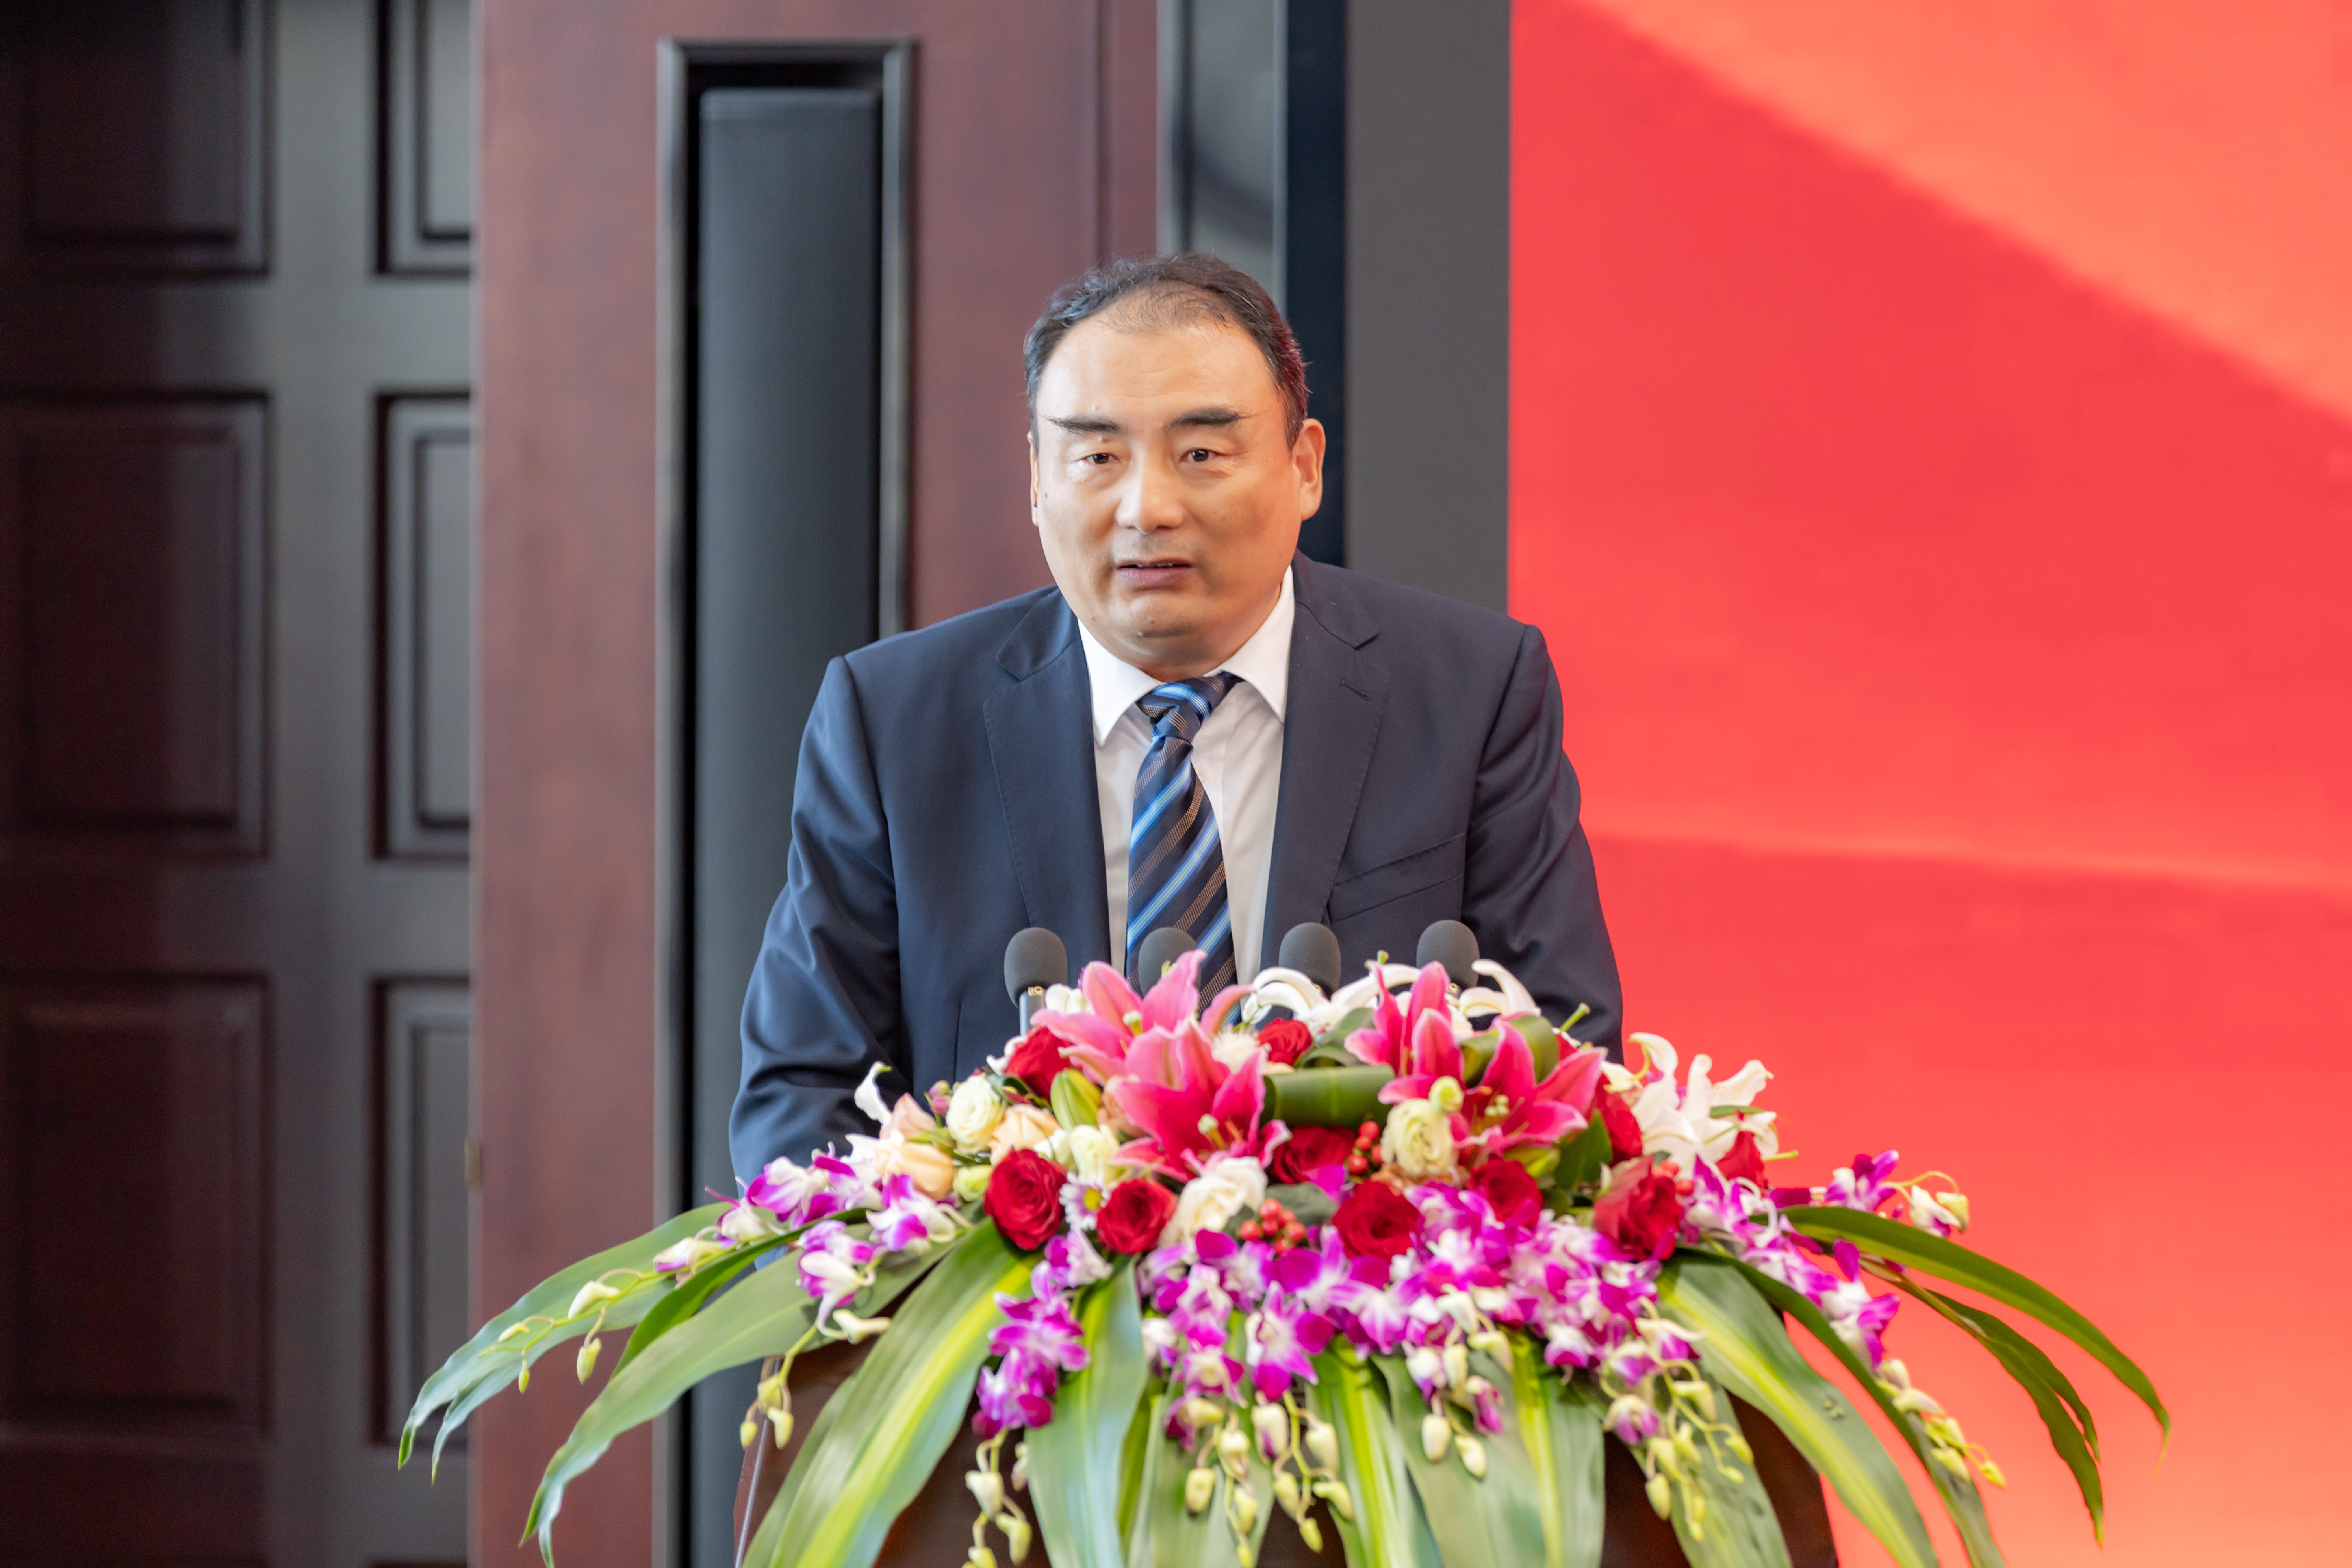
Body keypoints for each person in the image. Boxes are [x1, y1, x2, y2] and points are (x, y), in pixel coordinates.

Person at [731, 254, 1620, 1175]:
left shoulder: (1470, 691)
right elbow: (800, 1098)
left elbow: (1567, 1054)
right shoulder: (893, 721)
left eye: (1200, 454)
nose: (1146, 508)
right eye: (1097, 457)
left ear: (1303, 467)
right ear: (1036, 478)